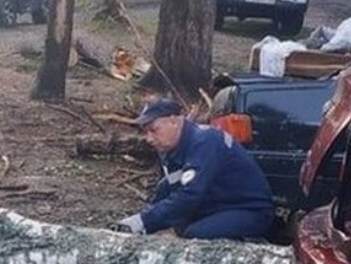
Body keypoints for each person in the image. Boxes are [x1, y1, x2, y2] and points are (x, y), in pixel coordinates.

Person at [112, 98, 275, 240]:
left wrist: (143, 221)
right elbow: (168, 188)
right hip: (218, 205)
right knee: (181, 227)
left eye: (154, 130)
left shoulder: (205, 141)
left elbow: (190, 195)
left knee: (196, 234)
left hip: (249, 210)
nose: (149, 139)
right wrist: (142, 224)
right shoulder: (172, 149)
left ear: (174, 121)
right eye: (146, 132)